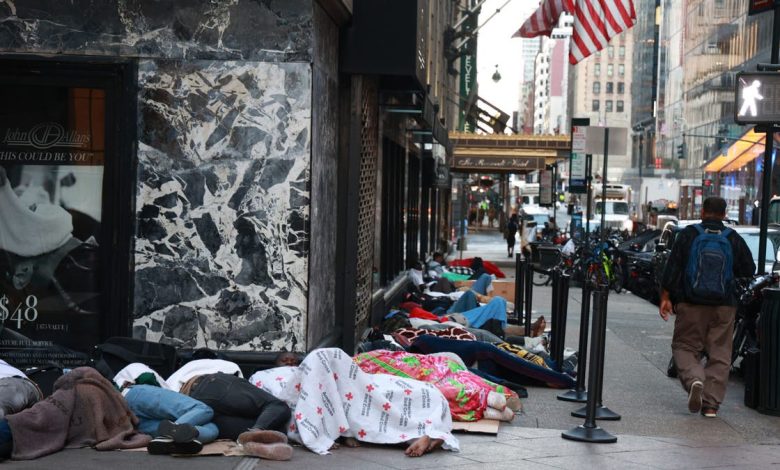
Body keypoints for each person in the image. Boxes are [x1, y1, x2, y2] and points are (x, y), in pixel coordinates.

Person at [249, 348, 461, 456]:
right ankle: (426, 435)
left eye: (294, 360)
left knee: (385, 394)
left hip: (344, 382)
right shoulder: (266, 374)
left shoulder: (304, 368)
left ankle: (427, 432)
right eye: (284, 361)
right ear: (275, 364)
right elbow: (286, 398)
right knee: (364, 410)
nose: (290, 363)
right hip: (321, 389)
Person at [659, 196, 755, 418]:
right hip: (724, 306)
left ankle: (694, 379)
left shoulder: (690, 235)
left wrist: (666, 296)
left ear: (702, 212)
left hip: (691, 303)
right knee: (720, 353)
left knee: (684, 346)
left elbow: (672, 268)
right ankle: (711, 405)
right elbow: (749, 268)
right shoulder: (733, 238)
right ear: (723, 215)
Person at [169, 359, 294, 460]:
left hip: (195, 407)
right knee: (277, 407)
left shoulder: (180, 374)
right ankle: (256, 432)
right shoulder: (217, 363)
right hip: (214, 384)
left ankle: (253, 442)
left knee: (275, 428)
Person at [113, 363, 219, 455]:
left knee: (212, 428)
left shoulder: (184, 372)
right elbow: (147, 377)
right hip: (134, 395)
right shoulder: (136, 369)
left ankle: (172, 438)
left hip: (128, 420)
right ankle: (171, 436)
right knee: (203, 409)